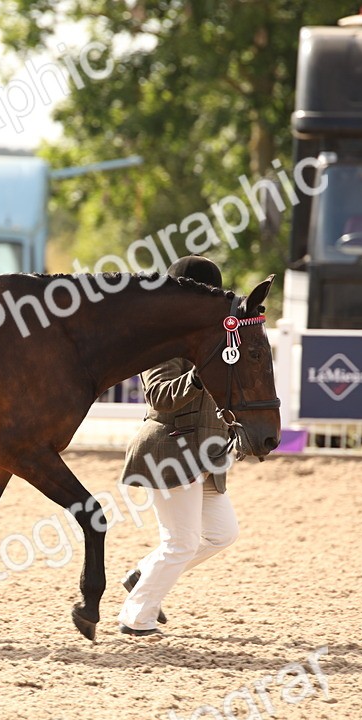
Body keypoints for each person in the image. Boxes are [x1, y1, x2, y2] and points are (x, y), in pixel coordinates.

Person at [117, 255, 239, 637]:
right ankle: (136, 617)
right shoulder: (159, 340)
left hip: (207, 450)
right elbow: (159, 396)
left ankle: (143, 575)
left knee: (222, 534)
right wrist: (202, 373)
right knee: (181, 541)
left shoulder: (216, 336)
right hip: (167, 447)